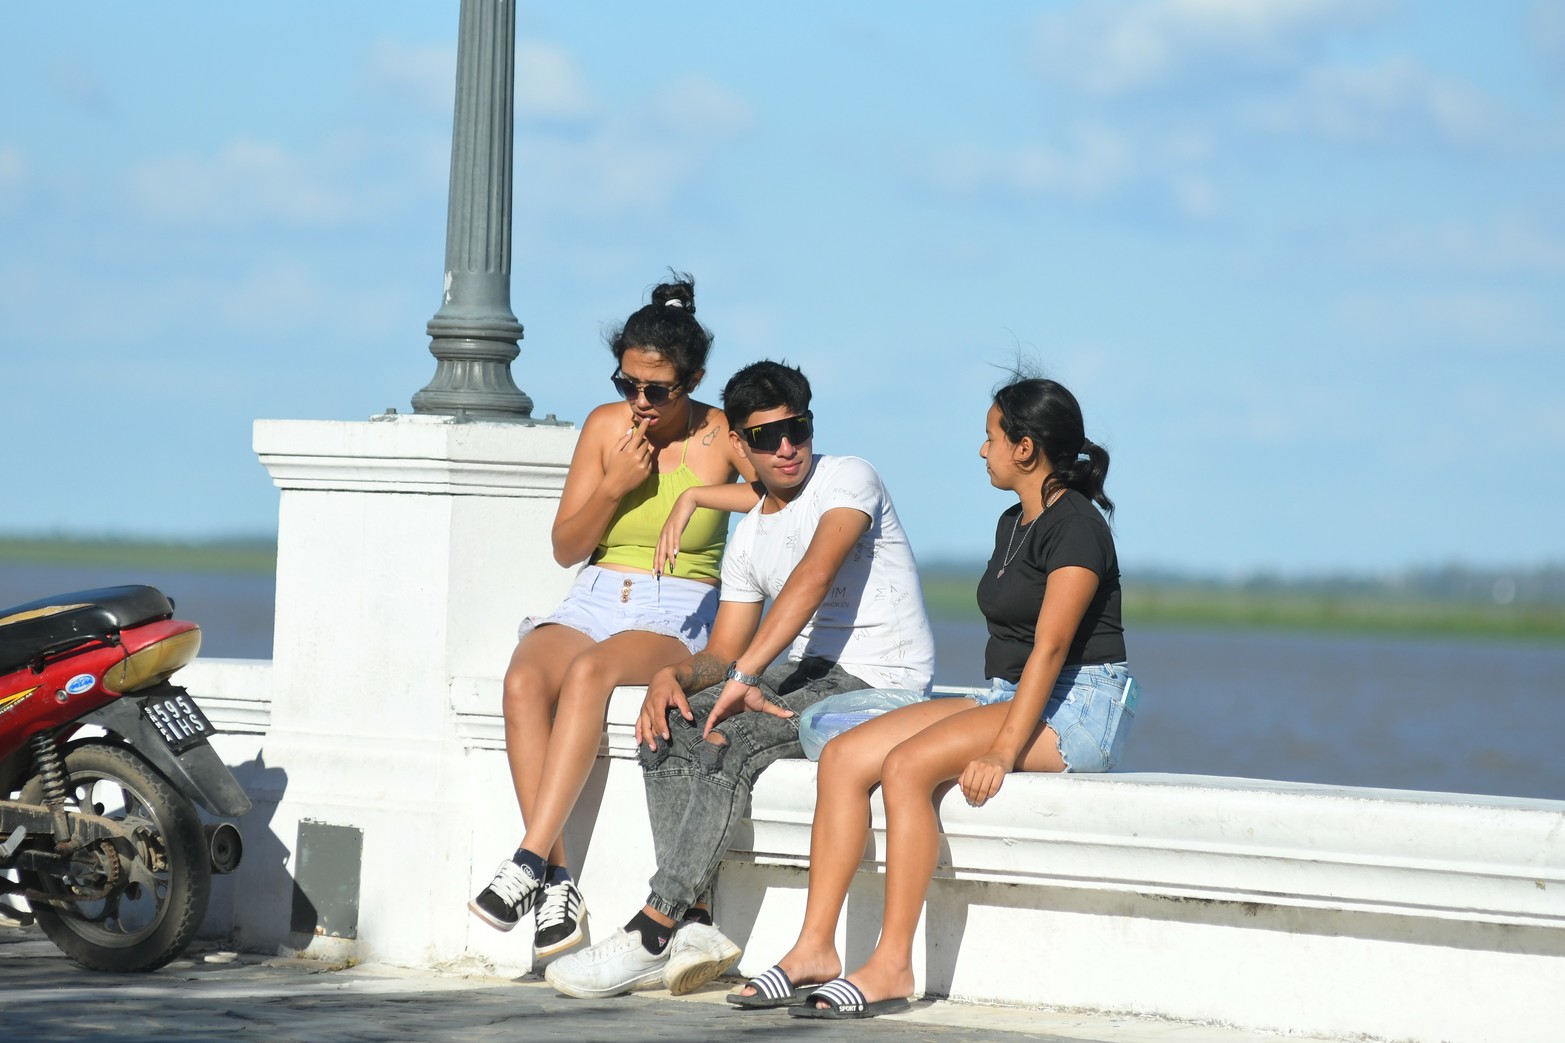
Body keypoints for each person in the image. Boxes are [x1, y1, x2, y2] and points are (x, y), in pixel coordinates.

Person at [731, 375, 1138, 1020]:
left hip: (1078, 709)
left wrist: (1002, 752)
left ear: (1026, 448)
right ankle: (814, 949)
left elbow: (1053, 650)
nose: (983, 450)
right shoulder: (1015, 521)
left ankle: (892, 964)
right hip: (1016, 693)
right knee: (843, 756)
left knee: (907, 767)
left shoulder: (1078, 527)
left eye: (991, 436)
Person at [542, 360, 936, 1000]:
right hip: (801, 672)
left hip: (877, 680)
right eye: (764, 437)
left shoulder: (848, 479)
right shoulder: (750, 534)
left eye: (796, 430)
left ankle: (654, 926)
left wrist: (747, 676)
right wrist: (674, 673)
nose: (785, 448)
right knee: (666, 721)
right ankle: (695, 926)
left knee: (737, 738)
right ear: (742, 446)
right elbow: (724, 649)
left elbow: (812, 577)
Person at [468, 276, 755, 963]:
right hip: (595, 592)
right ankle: (557, 879)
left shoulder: (719, 433)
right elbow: (567, 545)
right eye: (628, 383)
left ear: (692, 379)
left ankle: (528, 856)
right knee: (523, 680)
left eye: (657, 389)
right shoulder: (605, 427)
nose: (640, 401)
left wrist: (699, 496)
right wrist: (612, 486)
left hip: (674, 600)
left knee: (592, 672)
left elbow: (779, 494)